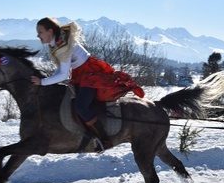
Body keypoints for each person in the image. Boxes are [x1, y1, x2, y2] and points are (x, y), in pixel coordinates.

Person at [30, 17, 144, 151]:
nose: (38, 35)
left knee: (81, 107)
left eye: (40, 32)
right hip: (81, 73)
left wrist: (43, 82)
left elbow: (63, 75)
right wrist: (47, 80)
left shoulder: (64, 46)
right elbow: (61, 69)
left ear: (49, 31)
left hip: (90, 75)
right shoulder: (57, 43)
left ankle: (103, 139)